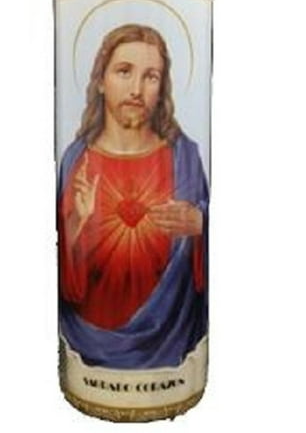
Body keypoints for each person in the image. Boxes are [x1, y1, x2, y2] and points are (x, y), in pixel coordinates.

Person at [58, 24, 208, 369]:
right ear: (101, 79)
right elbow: (66, 278)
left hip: (171, 341)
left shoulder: (184, 158)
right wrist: (78, 222)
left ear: (162, 87)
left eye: (151, 76)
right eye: (124, 71)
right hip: (89, 340)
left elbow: (205, 262)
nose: (136, 89)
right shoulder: (77, 162)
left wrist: (200, 223)